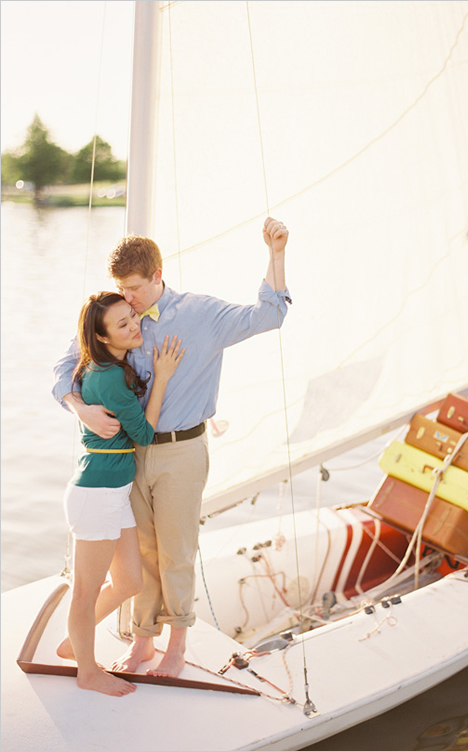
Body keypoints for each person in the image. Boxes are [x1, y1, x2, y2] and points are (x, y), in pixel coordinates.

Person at [52, 217, 290, 678]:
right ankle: (143, 639)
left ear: (158, 276)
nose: (129, 299)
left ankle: (177, 643)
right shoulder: (118, 315)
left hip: (182, 450)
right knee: (142, 553)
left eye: (136, 288)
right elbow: (66, 366)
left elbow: (270, 315)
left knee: (177, 551)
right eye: (122, 288)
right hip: (130, 453)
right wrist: (78, 407)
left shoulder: (201, 314)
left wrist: (275, 254)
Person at [56, 291, 184, 697]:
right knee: (86, 589)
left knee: (128, 581)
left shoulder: (105, 367)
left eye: (133, 317)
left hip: (111, 493)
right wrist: (162, 377)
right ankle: (88, 671)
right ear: (103, 337)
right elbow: (144, 435)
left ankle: (72, 642)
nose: (135, 326)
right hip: (97, 495)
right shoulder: (109, 377)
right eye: (123, 324)